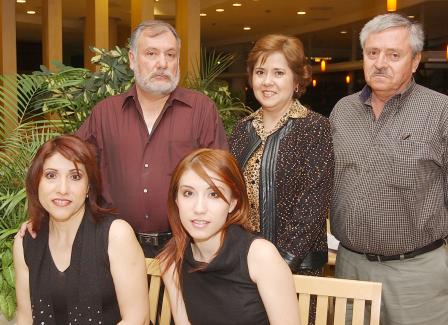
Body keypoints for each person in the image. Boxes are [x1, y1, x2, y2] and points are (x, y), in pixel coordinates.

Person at [18, 20, 229, 257]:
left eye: (170, 54)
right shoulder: (105, 113)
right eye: (151, 53)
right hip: (114, 248)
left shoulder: (201, 110)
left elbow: (221, 180)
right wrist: (42, 217)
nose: (162, 63)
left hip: (183, 249)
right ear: (132, 59)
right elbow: (68, 165)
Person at [330, 13, 448, 325]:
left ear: (414, 61)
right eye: (372, 53)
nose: (380, 63)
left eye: (394, 55)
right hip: (349, 268)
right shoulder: (342, 112)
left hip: (416, 275)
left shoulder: (441, 112)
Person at [13, 135, 149, 325]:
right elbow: (26, 318)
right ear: (37, 182)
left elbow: (138, 318)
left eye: (75, 177)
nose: (62, 189)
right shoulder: (26, 241)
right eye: (51, 175)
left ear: (88, 187)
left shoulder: (116, 235)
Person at [158, 149, 301, 325]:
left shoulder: (260, 256)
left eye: (214, 194)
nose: (199, 208)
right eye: (188, 193)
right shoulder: (172, 261)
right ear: (176, 200)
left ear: (233, 202)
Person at [229, 34, 334, 276]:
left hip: (296, 270)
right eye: (260, 72)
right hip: (243, 265)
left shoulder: (314, 128)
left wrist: (279, 266)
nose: (267, 82)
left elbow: (313, 207)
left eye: (278, 73)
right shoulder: (242, 130)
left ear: (297, 80)